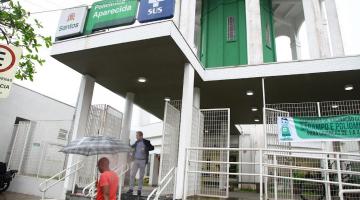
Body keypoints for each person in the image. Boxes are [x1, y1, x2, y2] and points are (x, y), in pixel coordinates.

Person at [127, 131, 154, 196]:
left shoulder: (146, 142)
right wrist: (128, 143)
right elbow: (131, 147)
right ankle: (131, 189)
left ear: (141, 136)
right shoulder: (136, 142)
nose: (136, 137)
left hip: (143, 161)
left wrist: (145, 148)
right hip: (136, 160)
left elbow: (152, 148)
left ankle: (139, 190)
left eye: (137, 136)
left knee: (141, 176)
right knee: (132, 175)